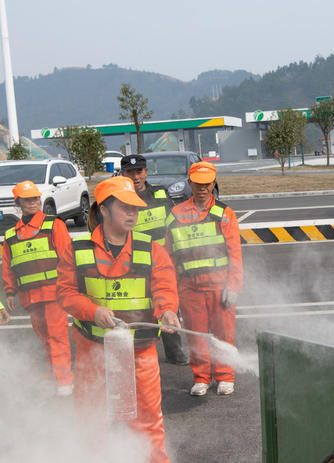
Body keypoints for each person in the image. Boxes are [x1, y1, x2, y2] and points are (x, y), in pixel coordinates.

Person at [56, 176, 180, 463]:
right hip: (92, 349)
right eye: (125, 208)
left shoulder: (151, 249)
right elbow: (65, 294)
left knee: (147, 419)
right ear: (104, 210)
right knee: (91, 418)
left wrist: (168, 309)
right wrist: (92, 311)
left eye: (135, 208)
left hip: (140, 351)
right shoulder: (78, 251)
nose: (133, 214)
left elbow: (163, 287)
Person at [165, 161, 243, 396]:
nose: (202, 188)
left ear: (214, 183)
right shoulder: (175, 215)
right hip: (189, 288)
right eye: (197, 183)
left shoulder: (224, 214)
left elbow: (235, 254)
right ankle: (201, 377)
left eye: (206, 183)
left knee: (223, 335)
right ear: (190, 183)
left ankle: (225, 377)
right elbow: (168, 257)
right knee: (196, 335)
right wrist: (171, 292)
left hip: (220, 287)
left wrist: (234, 286)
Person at [2, 180, 74, 396]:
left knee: (57, 335)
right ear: (18, 203)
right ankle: (53, 374)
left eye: (35, 198)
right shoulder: (11, 234)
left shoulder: (54, 225)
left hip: (54, 293)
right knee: (44, 336)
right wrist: (9, 292)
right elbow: (8, 266)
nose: (33, 202)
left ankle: (64, 379)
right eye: (27, 199)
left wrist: (69, 286)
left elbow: (67, 258)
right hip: (29, 295)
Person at [120, 153, 188, 365]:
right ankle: (136, 354)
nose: (135, 176)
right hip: (133, 267)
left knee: (168, 306)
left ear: (146, 171)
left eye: (139, 171)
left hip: (161, 265)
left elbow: (172, 226)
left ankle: (174, 351)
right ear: (123, 174)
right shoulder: (119, 198)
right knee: (135, 309)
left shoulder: (160, 194)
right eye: (130, 172)